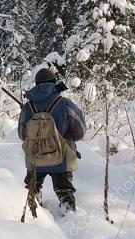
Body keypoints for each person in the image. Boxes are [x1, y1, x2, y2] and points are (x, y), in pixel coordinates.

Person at [18, 67, 86, 214]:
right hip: (61, 158)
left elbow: (22, 134)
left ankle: (33, 216)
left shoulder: (28, 107)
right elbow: (80, 131)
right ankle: (68, 217)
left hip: (35, 158)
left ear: (36, 84)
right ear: (54, 83)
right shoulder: (65, 104)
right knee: (64, 191)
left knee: (32, 188)